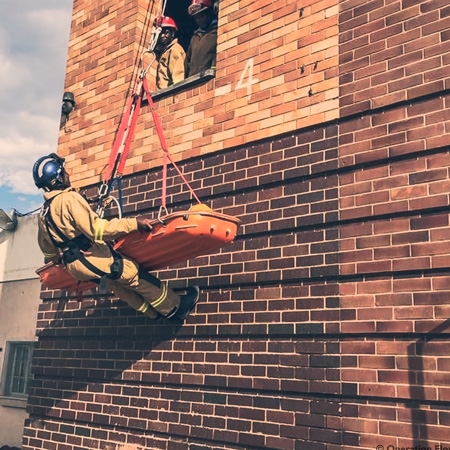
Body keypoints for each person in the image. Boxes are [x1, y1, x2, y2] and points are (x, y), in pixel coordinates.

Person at [33, 153, 199, 321]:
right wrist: (134, 224)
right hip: (91, 258)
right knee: (133, 275)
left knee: (116, 284)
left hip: (75, 267)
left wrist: (56, 259)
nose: (67, 174)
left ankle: (152, 313)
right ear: (58, 178)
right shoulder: (68, 199)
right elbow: (97, 230)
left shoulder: (44, 212)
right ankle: (175, 308)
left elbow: (46, 247)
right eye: (64, 172)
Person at [185, 0, 218, 78]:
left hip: (208, 80)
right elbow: (187, 62)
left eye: (201, 16)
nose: (199, 20)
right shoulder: (194, 38)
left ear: (209, 13)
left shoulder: (217, 32)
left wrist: (213, 69)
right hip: (192, 81)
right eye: (196, 17)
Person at [152, 16, 186, 89]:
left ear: (172, 33)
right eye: (160, 33)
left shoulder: (174, 49)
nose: (162, 36)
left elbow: (178, 78)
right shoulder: (164, 52)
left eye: (166, 32)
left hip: (168, 95)